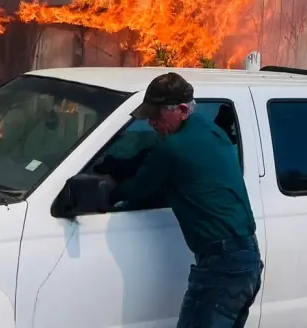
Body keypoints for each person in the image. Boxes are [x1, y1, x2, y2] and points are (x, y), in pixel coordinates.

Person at [110, 72, 261, 328]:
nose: (152, 123)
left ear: (181, 110)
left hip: (221, 268)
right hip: (247, 262)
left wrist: (108, 189)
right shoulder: (210, 130)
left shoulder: (172, 149)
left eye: (157, 116)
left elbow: (136, 190)